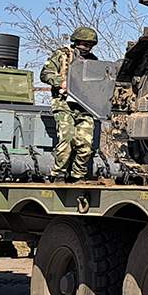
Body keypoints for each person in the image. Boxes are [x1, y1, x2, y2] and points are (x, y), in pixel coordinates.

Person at [42, 26, 100, 180]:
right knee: (66, 140)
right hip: (63, 104)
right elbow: (45, 74)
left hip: (85, 106)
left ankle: (77, 176)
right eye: (84, 44)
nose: (87, 48)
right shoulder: (62, 55)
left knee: (86, 145)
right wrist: (61, 82)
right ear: (76, 42)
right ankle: (59, 174)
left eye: (90, 45)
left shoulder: (93, 61)